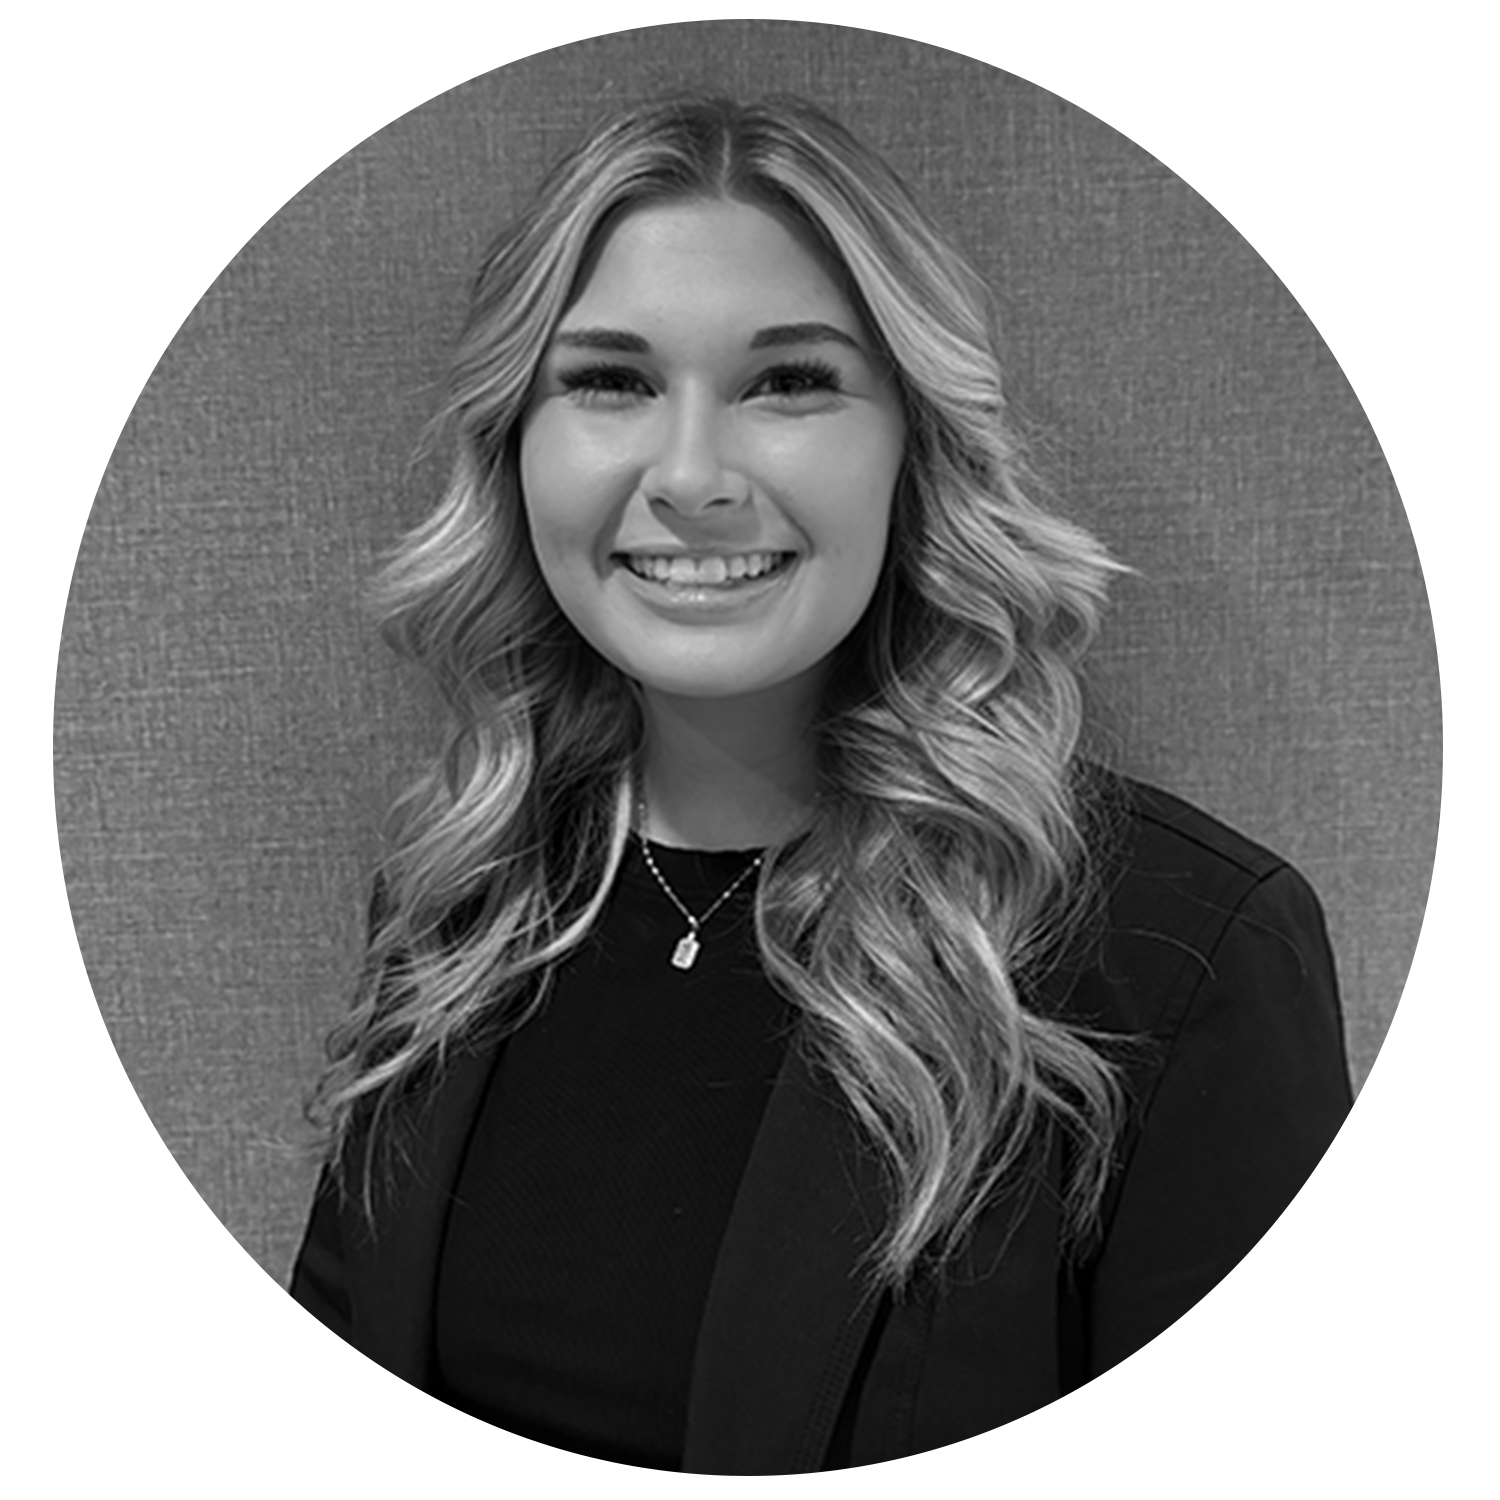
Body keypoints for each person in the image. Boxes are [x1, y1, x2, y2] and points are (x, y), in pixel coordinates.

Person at [268, 94, 1382, 1473]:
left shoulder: (1176, 957)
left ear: (914, 446)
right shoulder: (459, 910)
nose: (690, 478)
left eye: (789, 382)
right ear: (515, 451)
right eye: (610, 382)